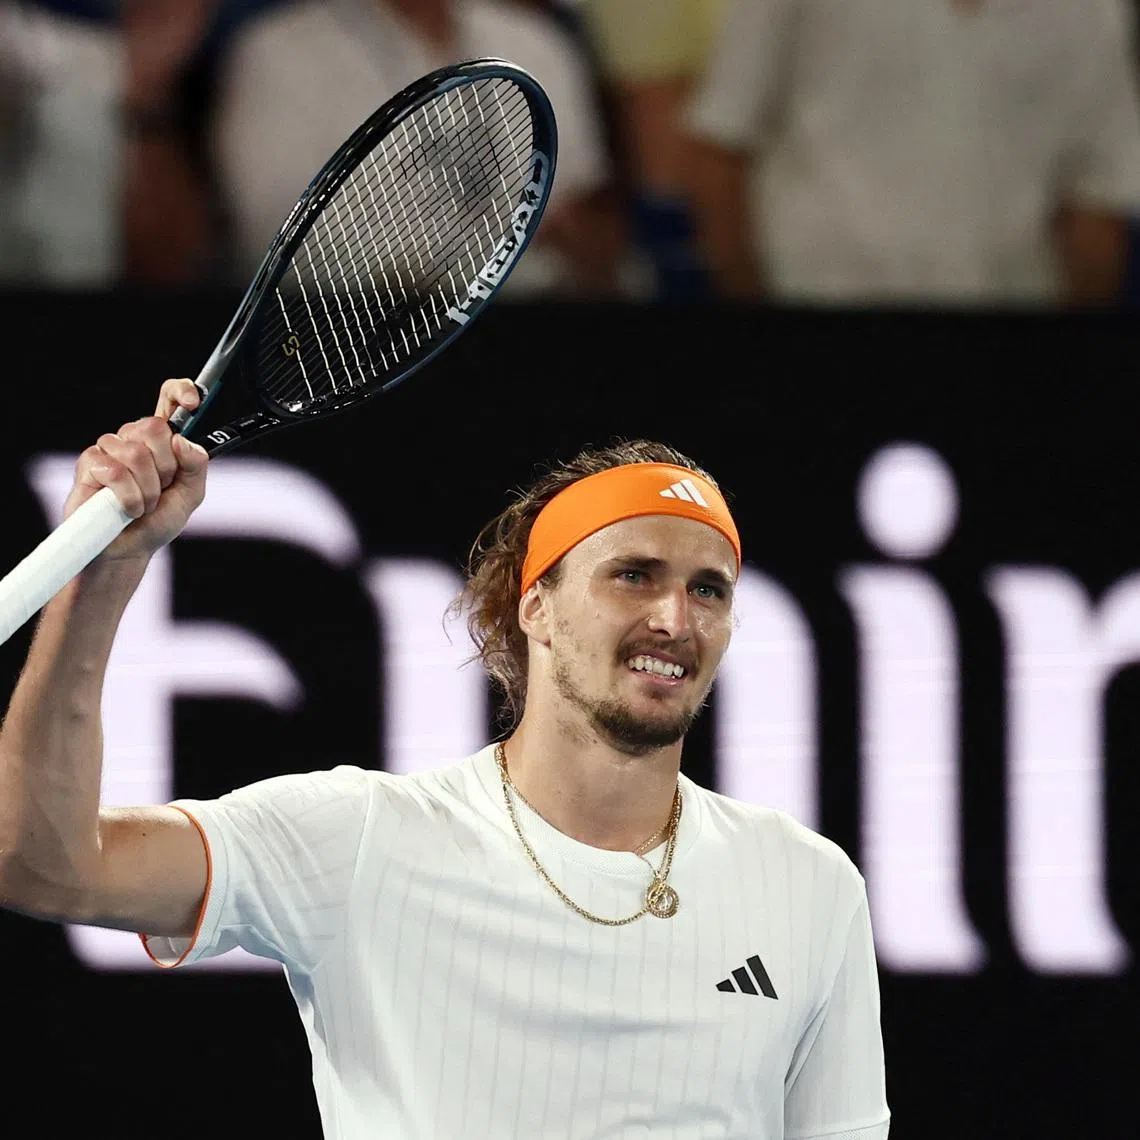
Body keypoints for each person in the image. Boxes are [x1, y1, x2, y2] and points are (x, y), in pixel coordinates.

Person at [0, 379, 890, 1139]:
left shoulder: (810, 887)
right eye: (634, 575)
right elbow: (42, 864)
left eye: (709, 590)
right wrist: (105, 572)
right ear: (536, 607)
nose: (675, 619)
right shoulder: (358, 839)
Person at [685, 0, 1140, 307]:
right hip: (817, 321)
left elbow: (1096, 203)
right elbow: (722, 148)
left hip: (1005, 342)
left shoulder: (1094, 11)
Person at [211, 0, 623, 297]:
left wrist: (590, 239)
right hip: (363, 345)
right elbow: (276, 244)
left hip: (535, 328)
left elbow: (585, 212)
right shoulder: (278, 53)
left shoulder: (534, 43)